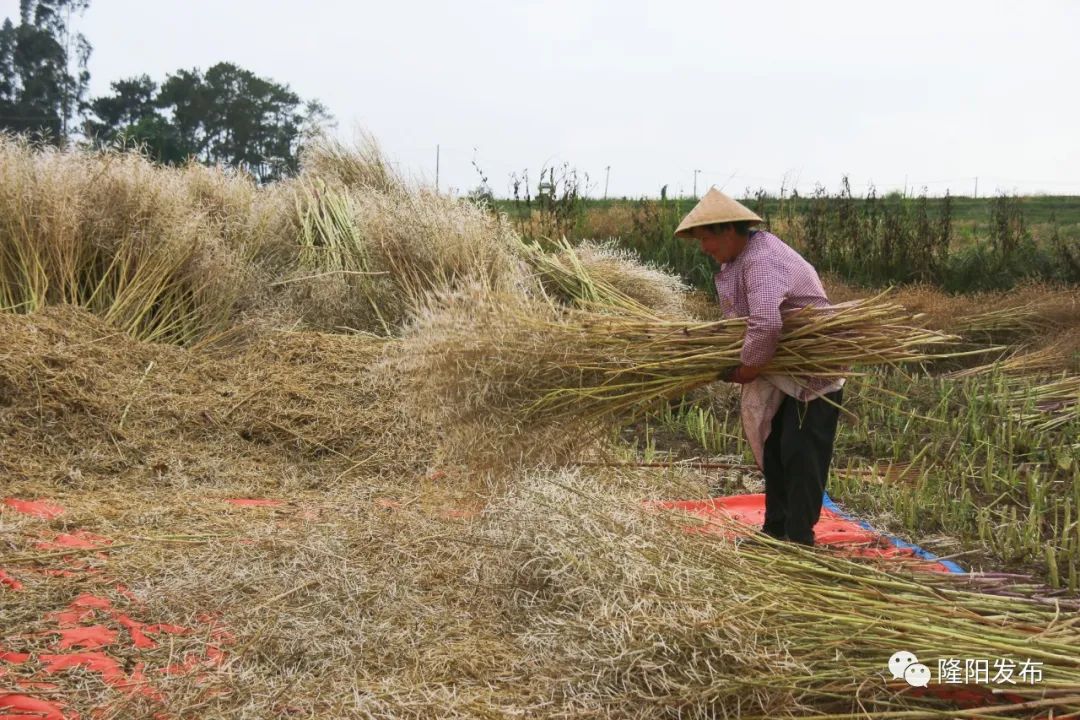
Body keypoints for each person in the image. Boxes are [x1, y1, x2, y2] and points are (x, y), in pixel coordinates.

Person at [674, 188, 844, 546]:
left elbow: (766, 324)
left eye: (707, 238)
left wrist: (748, 368)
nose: (704, 247)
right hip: (780, 368)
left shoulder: (760, 258)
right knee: (776, 450)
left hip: (811, 371)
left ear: (729, 230)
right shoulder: (736, 261)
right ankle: (775, 530)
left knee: (801, 455)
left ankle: (798, 540)